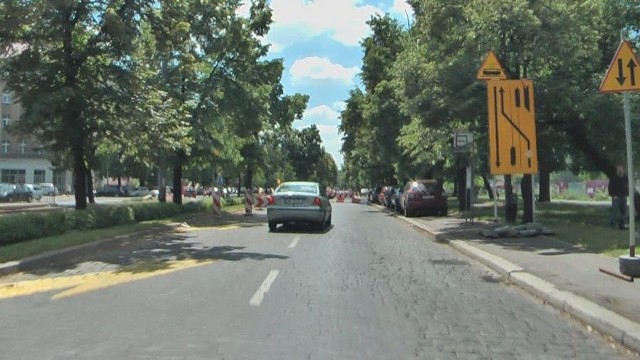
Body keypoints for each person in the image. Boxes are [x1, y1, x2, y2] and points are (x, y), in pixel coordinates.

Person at [608, 164, 628, 229]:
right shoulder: (613, 178)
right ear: (617, 170)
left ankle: (622, 225)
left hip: (624, 197)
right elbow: (610, 188)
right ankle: (612, 225)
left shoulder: (625, 178)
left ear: (623, 170)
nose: (620, 171)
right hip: (616, 198)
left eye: (621, 169)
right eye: (619, 169)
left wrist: (626, 195)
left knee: (623, 213)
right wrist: (613, 195)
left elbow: (628, 187)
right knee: (614, 212)